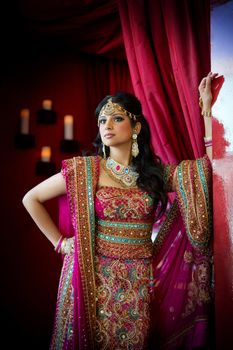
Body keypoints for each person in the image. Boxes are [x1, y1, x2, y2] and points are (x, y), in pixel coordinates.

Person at [22, 72, 217, 350]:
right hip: (91, 277)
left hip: (138, 280)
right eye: (102, 120)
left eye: (116, 118)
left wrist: (207, 110)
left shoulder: (152, 175)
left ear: (135, 126)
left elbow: (204, 173)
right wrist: (60, 244)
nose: (107, 125)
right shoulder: (85, 170)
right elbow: (31, 198)